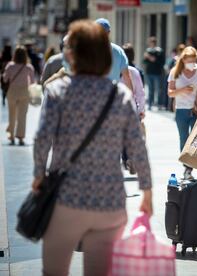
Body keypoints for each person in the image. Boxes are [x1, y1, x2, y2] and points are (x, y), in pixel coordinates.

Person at [32, 20, 153, 276]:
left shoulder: (56, 92)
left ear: (71, 54)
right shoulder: (119, 96)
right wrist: (147, 191)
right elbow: (137, 147)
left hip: (66, 198)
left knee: (53, 270)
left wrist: (38, 176)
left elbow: (42, 140)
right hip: (108, 201)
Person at [168, 46, 197, 180]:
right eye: (188, 60)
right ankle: (187, 167)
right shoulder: (175, 71)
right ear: (183, 59)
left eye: (193, 60)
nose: (191, 63)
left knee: (195, 139)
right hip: (181, 109)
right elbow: (170, 93)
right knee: (183, 138)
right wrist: (183, 90)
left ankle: (190, 165)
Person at [2, 45, 35, 145]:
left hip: (12, 91)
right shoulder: (29, 67)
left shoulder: (10, 66)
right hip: (24, 92)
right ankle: (20, 137)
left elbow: (5, 79)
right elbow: (32, 81)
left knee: (12, 114)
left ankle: (11, 135)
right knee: (22, 115)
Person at [122, 43, 146, 174]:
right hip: (132, 109)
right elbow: (140, 92)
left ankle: (127, 159)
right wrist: (141, 109)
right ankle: (129, 158)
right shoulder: (135, 71)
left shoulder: (115, 71)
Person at [95, 18, 133, 91]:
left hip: (93, 95)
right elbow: (126, 77)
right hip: (112, 95)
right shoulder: (119, 50)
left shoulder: (87, 50)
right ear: (109, 32)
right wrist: (132, 98)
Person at [143, 36, 165, 110]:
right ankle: (150, 104)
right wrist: (146, 58)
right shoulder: (148, 51)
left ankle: (159, 104)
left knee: (159, 89)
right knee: (150, 89)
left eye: (152, 42)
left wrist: (153, 59)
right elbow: (144, 62)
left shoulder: (159, 51)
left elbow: (162, 62)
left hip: (157, 73)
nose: (151, 44)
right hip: (149, 72)